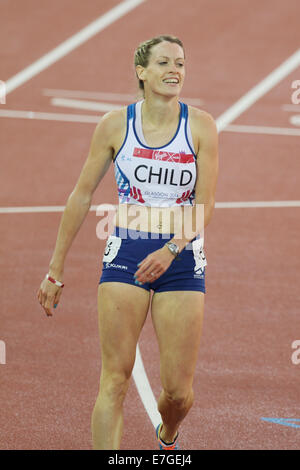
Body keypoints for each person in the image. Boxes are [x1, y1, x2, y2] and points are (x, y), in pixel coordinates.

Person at [37, 35, 219, 450]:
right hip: (127, 251)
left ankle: (168, 429)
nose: (175, 70)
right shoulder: (115, 125)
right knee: (115, 379)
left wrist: (171, 247)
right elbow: (81, 196)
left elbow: (205, 205)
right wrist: (55, 270)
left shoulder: (202, 126)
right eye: (164, 63)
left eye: (181, 63)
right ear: (141, 71)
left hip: (182, 256)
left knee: (177, 393)